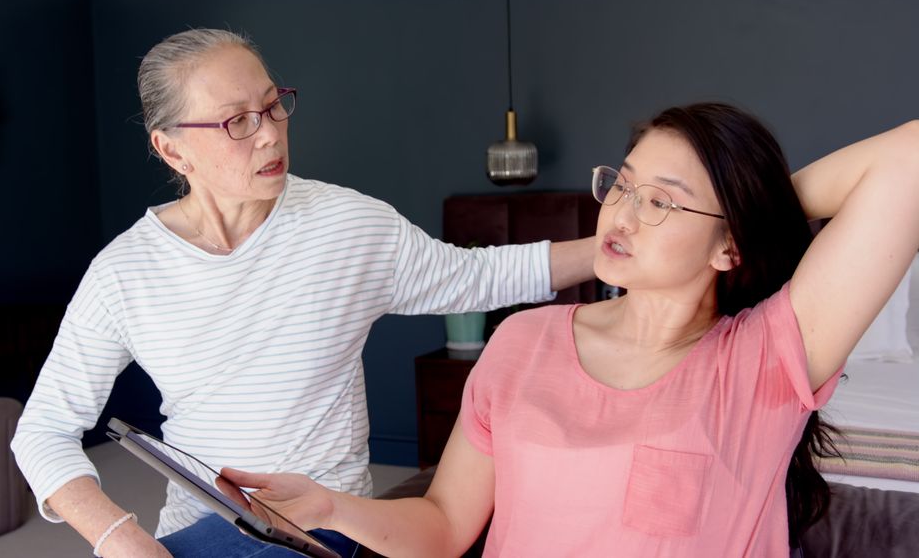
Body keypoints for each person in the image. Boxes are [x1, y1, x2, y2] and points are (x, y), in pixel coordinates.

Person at [220, 103, 919, 557]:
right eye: (623, 184)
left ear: (728, 248)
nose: (620, 214)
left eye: (661, 204)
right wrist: (328, 507)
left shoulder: (762, 363)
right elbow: (442, 527)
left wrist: (752, 211)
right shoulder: (524, 342)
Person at [9, 28, 595, 557]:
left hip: (324, 532)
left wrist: (609, 250)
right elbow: (43, 431)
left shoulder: (348, 226)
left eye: (272, 106)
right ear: (171, 149)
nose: (269, 135)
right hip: (197, 532)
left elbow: (481, 276)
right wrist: (121, 539)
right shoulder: (124, 273)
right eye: (237, 121)